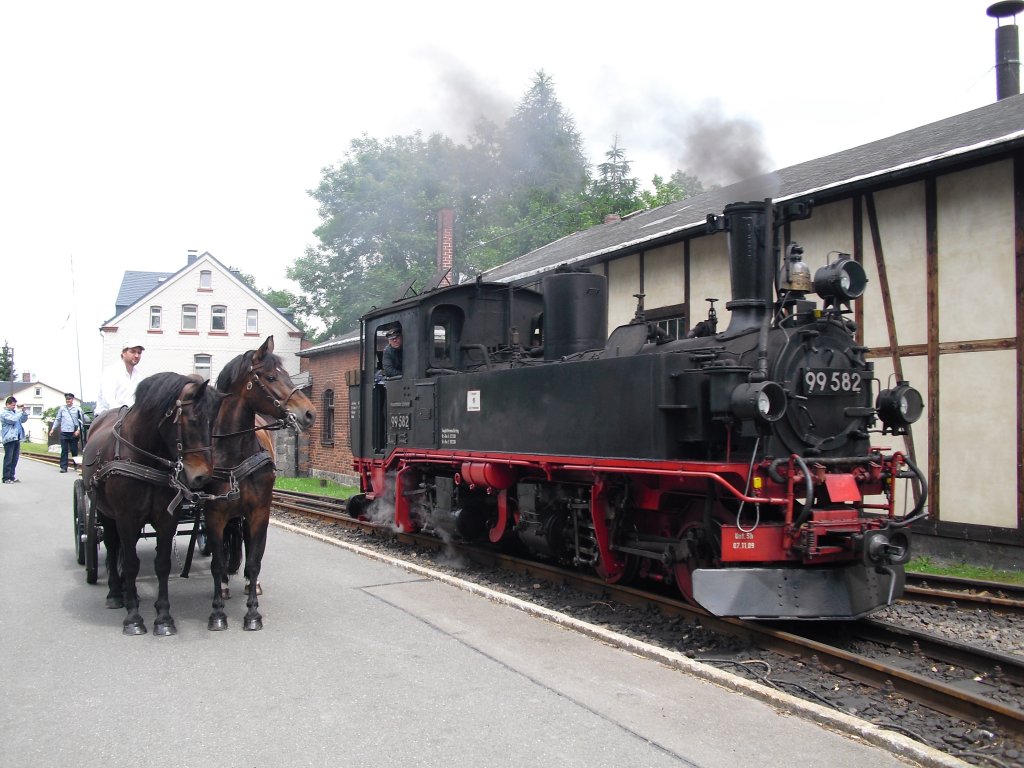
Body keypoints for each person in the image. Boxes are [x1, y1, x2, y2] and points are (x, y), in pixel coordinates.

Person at [95, 339, 146, 416]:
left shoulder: (139, 377)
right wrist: (123, 415)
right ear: (123, 353)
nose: (136, 355)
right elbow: (108, 400)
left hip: (129, 418)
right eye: (133, 351)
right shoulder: (111, 372)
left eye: (139, 353)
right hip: (107, 417)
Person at [50, 392, 85, 473]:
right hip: (64, 432)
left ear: (72, 399)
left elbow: (82, 421)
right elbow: (58, 419)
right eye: (66, 399)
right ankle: (63, 467)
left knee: (74, 450)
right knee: (64, 450)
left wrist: (78, 430)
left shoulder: (77, 409)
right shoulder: (62, 409)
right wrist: (52, 429)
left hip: (73, 432)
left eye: (69, 399)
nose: (68, 400)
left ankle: (76, 465)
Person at [2, 396, 28, 483]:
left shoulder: (16, 413)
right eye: (13, 405)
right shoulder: (4, 413)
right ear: (7, 404)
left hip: (17, 438)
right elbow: (12, 420)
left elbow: (23, 420)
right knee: (8, 459)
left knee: (14, 459)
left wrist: (24, 411)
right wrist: (20, 411)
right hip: (9, 438)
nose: (14, 407)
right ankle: (6, 478)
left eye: (15, 405)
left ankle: (12, 476)